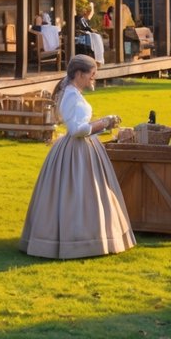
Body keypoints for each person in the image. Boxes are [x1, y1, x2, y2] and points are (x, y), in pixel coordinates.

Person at [19, 55, 135, 259]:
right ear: (79, 74)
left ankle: (91, 237)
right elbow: (76, 130)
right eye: (91, 75)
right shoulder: (71, 95)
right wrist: (104, 123)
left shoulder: (73, 92)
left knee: (88, 195)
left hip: (80, 149)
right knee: (80, 195)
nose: (93, 79)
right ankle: (79, 241)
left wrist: (102, 124)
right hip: (76, 152)